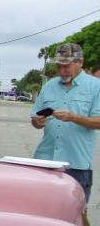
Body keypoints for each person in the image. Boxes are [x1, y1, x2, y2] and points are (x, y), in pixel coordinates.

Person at [31, 43, 100, 204]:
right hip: (44, 162)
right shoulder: (49, 86)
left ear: (80, 62)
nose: (61, 71)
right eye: (58, 66)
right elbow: (35, 119)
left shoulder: (96, 87)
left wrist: (74, 117)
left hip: (75, 166)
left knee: (72, 217)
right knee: (39, 212)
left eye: (66, 66)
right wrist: (38, 121)